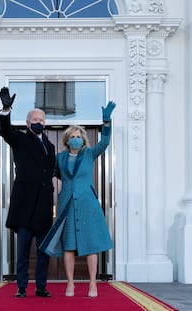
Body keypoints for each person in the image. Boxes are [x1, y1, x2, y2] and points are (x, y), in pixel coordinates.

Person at [40, 101, 116, 298]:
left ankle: (92, 284)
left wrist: (106, 122)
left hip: (87, 204)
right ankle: (70, 284)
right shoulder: (60, 157)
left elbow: (105, 143)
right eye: (72, 137)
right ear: (67, 140)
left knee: (91, 244)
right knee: (69, 245)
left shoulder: (89, 154)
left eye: (78, 137)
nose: (75, 139)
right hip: (66, 204)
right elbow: (56, 173)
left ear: (83, 140)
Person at [0, 87, 56, 298]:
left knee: (43, 251)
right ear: (28, 123)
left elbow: (52, 170)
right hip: (24, 206)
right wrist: (6, 110)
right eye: (34, 118)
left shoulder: (50, 145)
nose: (38, 121)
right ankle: (21, 287)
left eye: (41, 118)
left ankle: (41, 286)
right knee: (22, 252)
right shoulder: (20, 139)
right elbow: (5, 131)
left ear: (45, 123)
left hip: (43, 207)